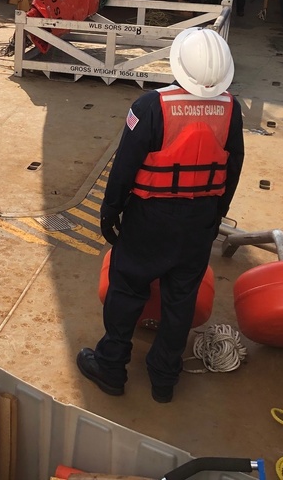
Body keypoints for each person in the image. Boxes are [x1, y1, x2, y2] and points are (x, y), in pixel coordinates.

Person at [76, 27, 244, 403]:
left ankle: (111, 367)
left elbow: (125, 166)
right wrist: (217, 214)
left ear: (178, 63)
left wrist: (110, 210)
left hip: (150, 219)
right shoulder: (231, 108)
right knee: (181, 298)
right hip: (199, 220)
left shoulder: (150, 106)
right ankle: (165, 377)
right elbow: (234, 166)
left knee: (127, 287)